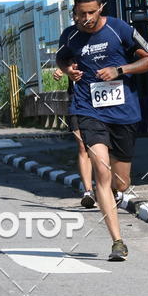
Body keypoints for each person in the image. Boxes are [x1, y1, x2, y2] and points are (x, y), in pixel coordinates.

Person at [56, 0, 148, 261]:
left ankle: (111, 194)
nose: (86, 18)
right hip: (89, 110)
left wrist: (120, 69)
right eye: (80, 13)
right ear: (74, 12)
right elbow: (61, 56)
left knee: (121, 183)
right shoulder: (71, 35)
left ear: (101, 8)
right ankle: (118, 241)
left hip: (123, 112)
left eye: (91, 12)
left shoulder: (119, 29)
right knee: (101, 170)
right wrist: (68, 70)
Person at [53, 65, 95, 209]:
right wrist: (62, 69)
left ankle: (111, 187)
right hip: (76, 100)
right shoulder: (71, 44)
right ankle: (88, 192)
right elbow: (64, 61)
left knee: (103, 146)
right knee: (83, 146)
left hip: (98, 98)